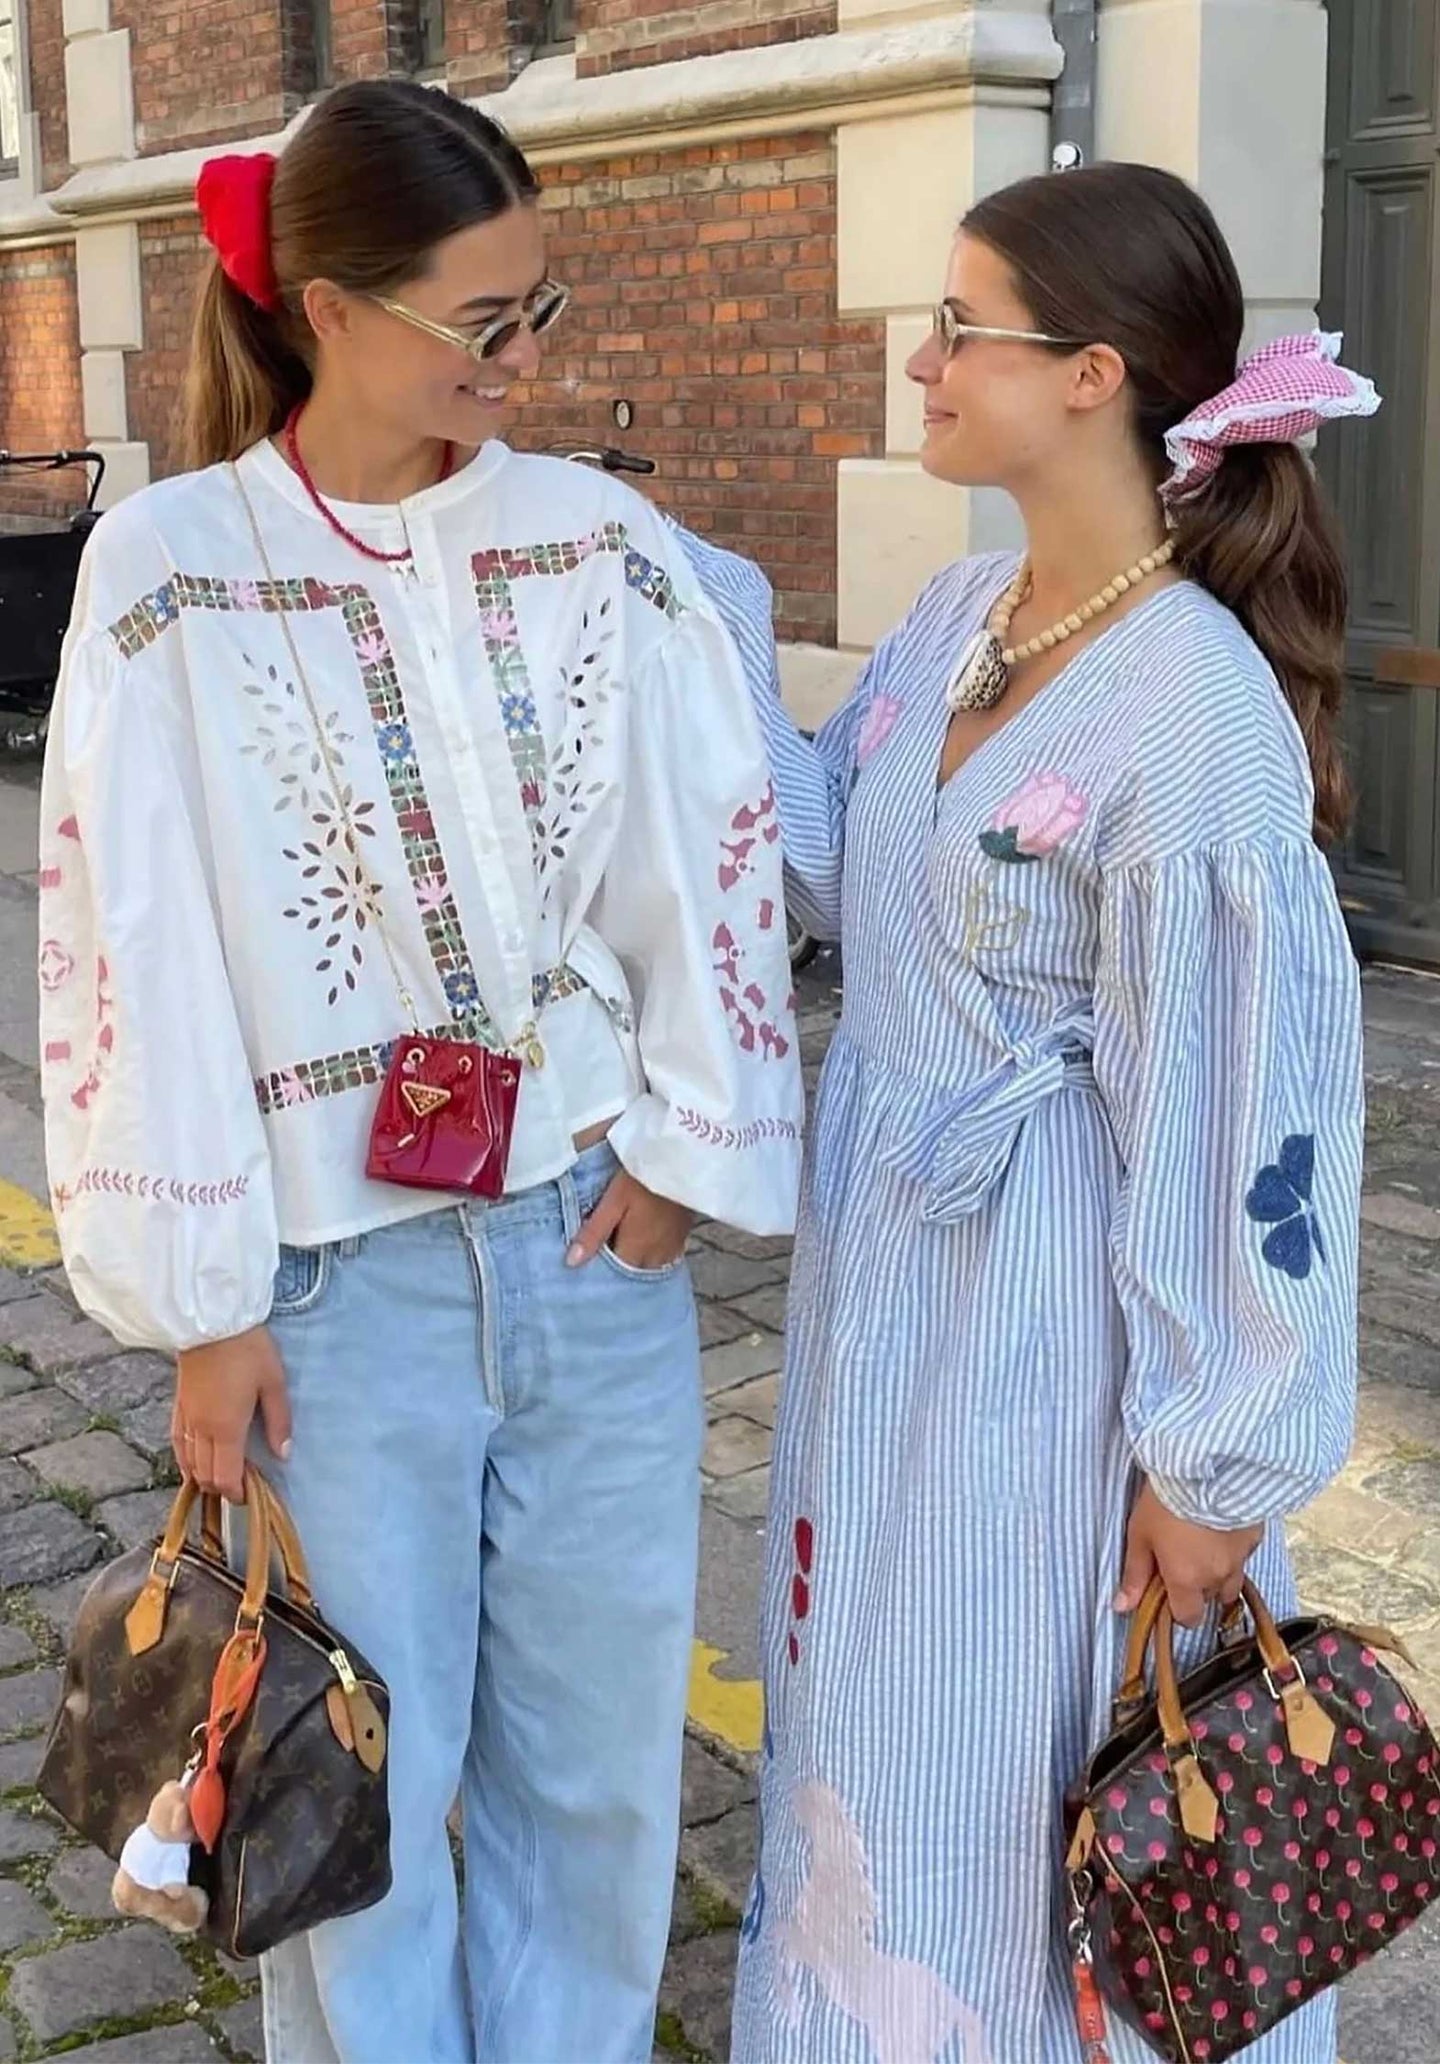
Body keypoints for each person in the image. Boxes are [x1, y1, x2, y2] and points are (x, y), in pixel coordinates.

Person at [38, 79, 803, 2064]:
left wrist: (687, 1146)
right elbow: (136, 939)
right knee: (357, 1786)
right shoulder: (169, 570)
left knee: (601, 1767)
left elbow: (703, 841)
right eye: (486, 319)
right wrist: (206, 1307)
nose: (527, 357)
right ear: (330, 307)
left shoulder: (597, 541)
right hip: (332, 1293)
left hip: (589, 1252)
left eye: (541, 307)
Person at [729, 162, 1375, 2063]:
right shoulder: (962, 615)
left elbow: (1257, 1113)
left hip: (1058, 1341)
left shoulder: (1193, 711)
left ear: (1093, 373)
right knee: (881, 1709)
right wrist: (702, 619)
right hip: (891, 1310)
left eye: (959, 328)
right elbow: (836, 856)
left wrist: (1215, 1465)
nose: (918, 361)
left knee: (1036, 1751)